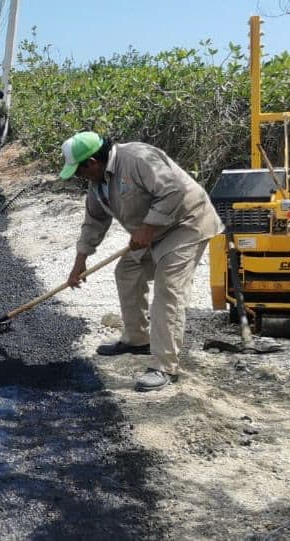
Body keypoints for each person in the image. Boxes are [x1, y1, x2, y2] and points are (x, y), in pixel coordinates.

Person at [61, 132, 223, 391]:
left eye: (78, 171)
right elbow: (94, 221)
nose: (79, 177)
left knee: (168, 290)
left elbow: (173, 190)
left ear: (92, 162)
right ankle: (137, 339)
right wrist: (80, 261)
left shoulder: (137, 158)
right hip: (153, 232)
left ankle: (165, 366)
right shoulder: (98, 182)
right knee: (127, 271)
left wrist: (147, 229)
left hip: (186, 224)